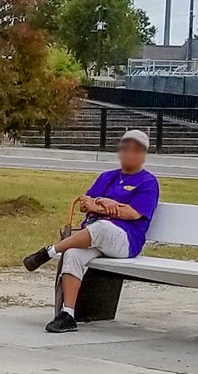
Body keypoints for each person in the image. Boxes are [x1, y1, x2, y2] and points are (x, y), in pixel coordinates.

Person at [22, 129, 160, 333]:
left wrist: (107, 207)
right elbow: (84, 204)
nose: (127, 153)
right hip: (94, 237)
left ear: (142, 154)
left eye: (134, 149)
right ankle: (68, 314)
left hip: (125, 240)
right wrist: (99, 204)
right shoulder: (107, 177)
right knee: (73, 254)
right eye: (124, 148)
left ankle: (49, 251)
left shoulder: (147, 182)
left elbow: (132, 214)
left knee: (102, 227)